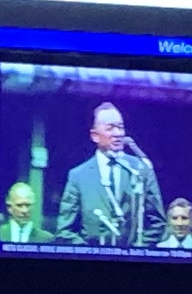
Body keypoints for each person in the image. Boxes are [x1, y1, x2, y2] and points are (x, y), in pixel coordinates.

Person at [53, 101, 163, 250]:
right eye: (110, 128)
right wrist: (91, 254)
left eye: (120, 127)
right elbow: (64, 230)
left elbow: (157, 221)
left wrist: (136, 252)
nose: (118, 133)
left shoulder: (141, 169)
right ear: (95, 136)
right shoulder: (78, 176)